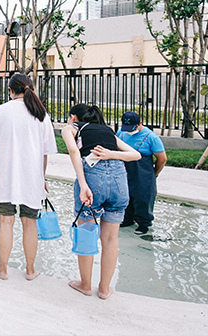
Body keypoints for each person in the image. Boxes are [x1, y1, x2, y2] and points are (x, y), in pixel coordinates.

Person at [0, 73, 57, 281]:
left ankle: (3, 269)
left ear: (11, 90)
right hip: (32, 178)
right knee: (29, 223)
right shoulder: (41, 114)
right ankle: (31, 270)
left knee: (6, 222)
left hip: (5, 175)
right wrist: (41, 178)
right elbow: (45, 153)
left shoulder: (0, 111)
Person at [62, 103, 141, 300]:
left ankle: (85, 285)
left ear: (74, 117)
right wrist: (111, 154)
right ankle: (105, 289)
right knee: (111, 239)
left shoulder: (71, 128)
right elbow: (136, 155)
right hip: (119, 181)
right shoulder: (107, 132)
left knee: (87, 235)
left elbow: (73, 152)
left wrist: (83, 184)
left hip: (92, 178)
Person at [117, 111, 167, 235]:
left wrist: (154, 173)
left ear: (140, 123)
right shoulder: (121, 133)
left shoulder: (151, 137)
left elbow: (162, 159)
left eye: (132, 128)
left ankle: (144, 223)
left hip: (143, 172)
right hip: (125, 170)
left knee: (143, 197)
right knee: (125, 195)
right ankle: (127, 219)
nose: (129, 130)